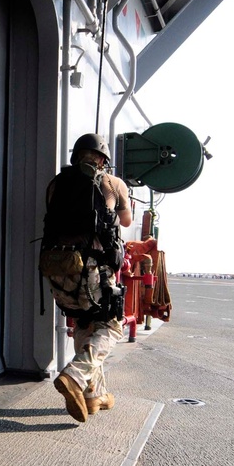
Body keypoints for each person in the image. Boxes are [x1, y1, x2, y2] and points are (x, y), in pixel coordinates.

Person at [40, 134, 132, 423]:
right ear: (102, 159)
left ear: (76, 156)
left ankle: (94, 396)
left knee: (84, 322)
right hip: (91, 271)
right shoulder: (111, 183)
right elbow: (127, 220)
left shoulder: (55, 184)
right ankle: (75, 376)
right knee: (111, 327)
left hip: (56, 269)